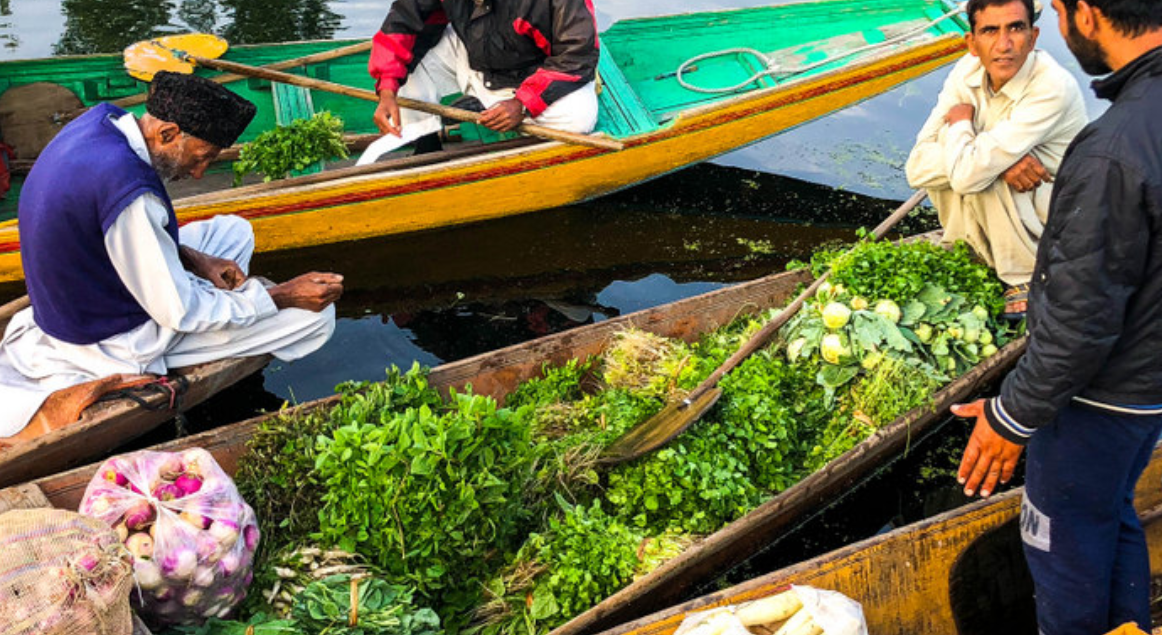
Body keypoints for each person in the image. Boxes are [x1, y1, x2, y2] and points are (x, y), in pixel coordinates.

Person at [952, 0, 1162, 632]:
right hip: (1149, 391)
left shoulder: (1112, 149)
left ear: (1087, 15)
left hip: (1104, 397)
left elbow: (1079, 321)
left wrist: (1009, 416)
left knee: (1061, 544)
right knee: (1111, 513)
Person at [0, 71, 344, 440]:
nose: (199, 173)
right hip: (110, 341)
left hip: (79, 293)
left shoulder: (102, 120)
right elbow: (180, 311)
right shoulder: (132, 194)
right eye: (202, 158)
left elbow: (103, 229)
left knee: (234, 230)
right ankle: (190, 351)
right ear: (167, 134)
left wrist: (195, 259)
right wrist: (282, 296)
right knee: (317, 319)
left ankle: (225, 309)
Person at [904, 0, 1087, 319]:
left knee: (972, 163)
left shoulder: (1052, 87)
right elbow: (916, 166)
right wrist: (997, 160)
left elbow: (967, 175)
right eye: (990, 31)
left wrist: (962, 129)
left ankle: (1025, 276)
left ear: (1033, 37)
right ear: (972, 44)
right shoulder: (965, 72)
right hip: (994, 205)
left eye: (1016, 28)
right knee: (975, 161)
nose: (1004, 45)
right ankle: (971, 250)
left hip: (1057, 219)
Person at [367, 0, 600, 155]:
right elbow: (404, 21)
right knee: (406, 66)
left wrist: (523, 103)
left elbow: (578, 54)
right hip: (475, 54)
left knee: (578, 120)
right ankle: (426, 144)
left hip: (535, 72)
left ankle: (491, 107)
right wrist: (388, 90)